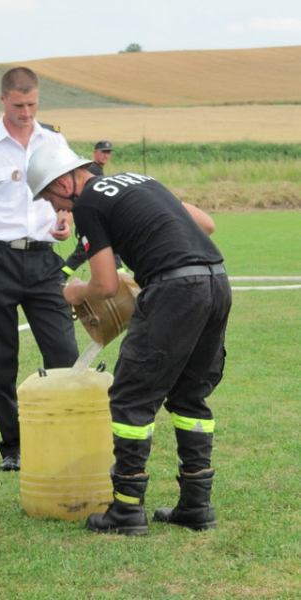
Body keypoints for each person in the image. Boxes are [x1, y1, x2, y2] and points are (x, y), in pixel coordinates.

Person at [27, 144, 232, 535]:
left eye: (51, 198)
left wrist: (75, 292)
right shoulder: (142, 181)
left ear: (63, 182)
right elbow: (206, 225)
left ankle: (126, 510)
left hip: (175, 290)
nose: (57, 210)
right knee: (190, 395)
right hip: (216, 280)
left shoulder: (87, 204)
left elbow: (104, 285)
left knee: (130, 399)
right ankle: (196, 505)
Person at [0, 68, 79, 473]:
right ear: (3, 100)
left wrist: (65, 221)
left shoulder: (54, 140)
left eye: (33, 104)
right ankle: (14, 447)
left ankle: (66, 438)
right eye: (19, 105)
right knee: (1, 359)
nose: (27, 112)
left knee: (65, 354)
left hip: (43, 261)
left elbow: (68, 194)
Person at [61, 140, 123, 279]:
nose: (106, 156)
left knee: (106, 249)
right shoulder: (93, 171)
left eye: (108, 153)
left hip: (93, 220)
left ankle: (123, 278)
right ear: (95, 153)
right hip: (91, 220)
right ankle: (60, 276)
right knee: (83, 252)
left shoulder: (96, 169)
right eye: (103, 152)